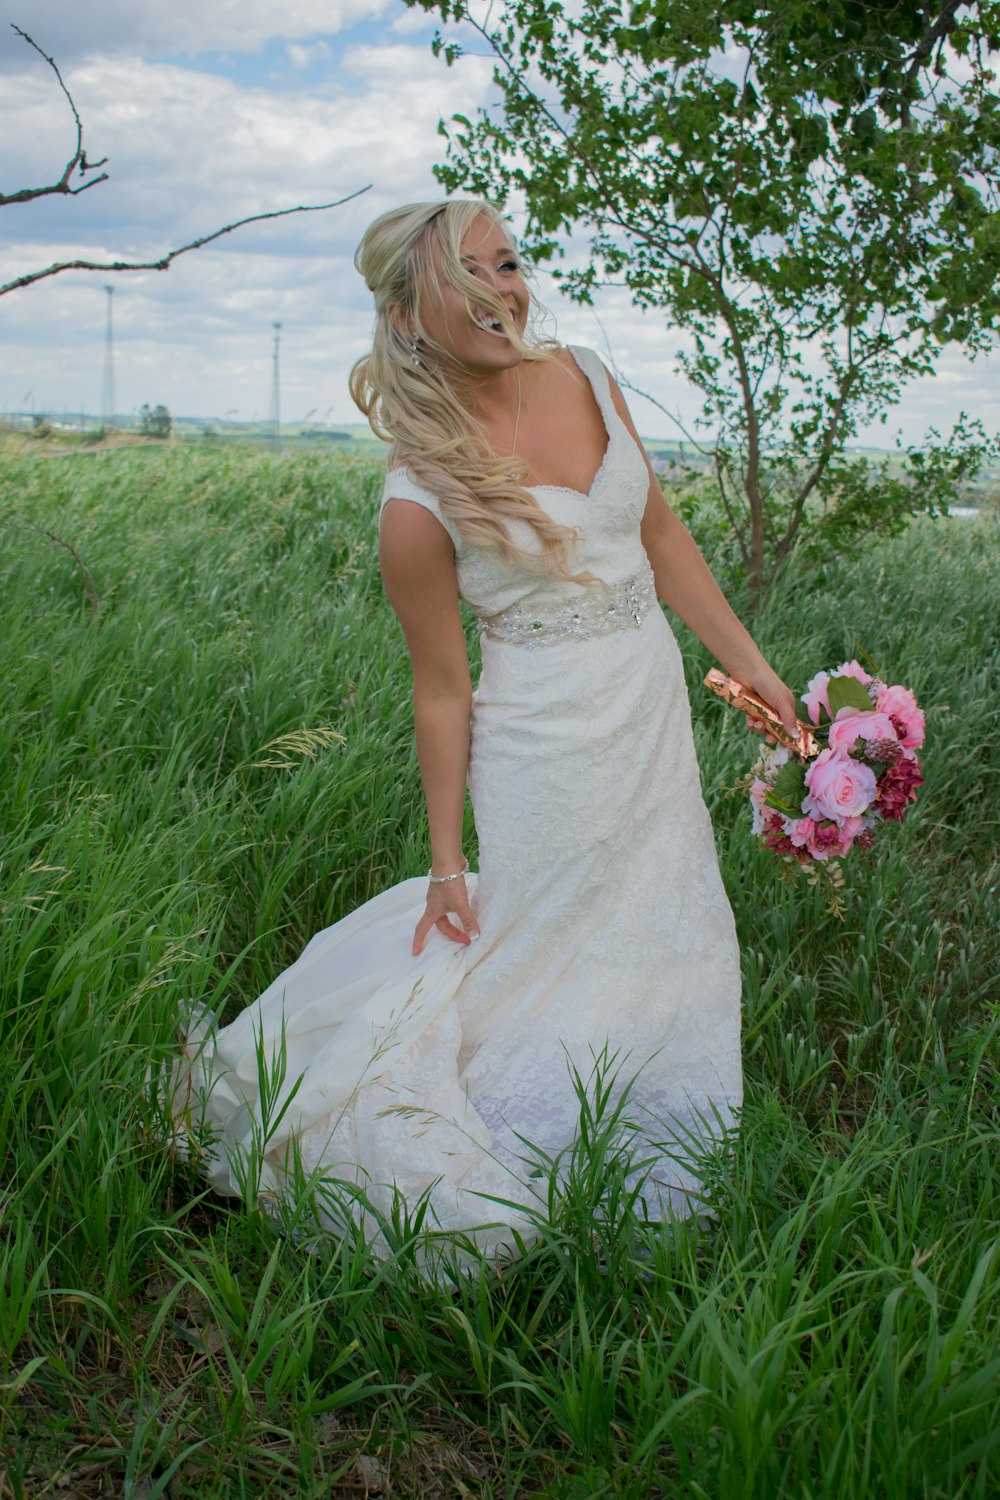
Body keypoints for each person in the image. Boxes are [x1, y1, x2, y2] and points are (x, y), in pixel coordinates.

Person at [174, 199, 798, 1262]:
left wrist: (754, 669)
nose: (504, 290)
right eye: (469, 278)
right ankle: (525, 1139)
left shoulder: (589, 373)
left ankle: (656, 1146)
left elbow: (657, 533)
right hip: (540, 744)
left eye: (507, 263)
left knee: (662, 914)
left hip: (644, 707)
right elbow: (442, 689)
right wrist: (446, 860)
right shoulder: (416, 498)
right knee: (539, 940)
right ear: (409, 315)